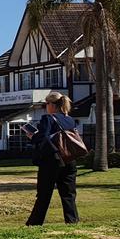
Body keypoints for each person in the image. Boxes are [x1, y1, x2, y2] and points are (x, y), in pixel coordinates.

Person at [25, 91, 79, 226]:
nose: (45, 107)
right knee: (68, 193)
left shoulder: (48, 119)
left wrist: (32, 137)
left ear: (52, 105)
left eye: (46, 104)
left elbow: (42, 138)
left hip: (52, 160)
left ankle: (35, 223)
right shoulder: (69, 119)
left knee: (44, 193)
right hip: (69, 159)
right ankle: (72, 221)